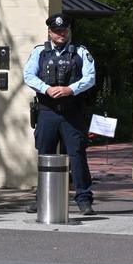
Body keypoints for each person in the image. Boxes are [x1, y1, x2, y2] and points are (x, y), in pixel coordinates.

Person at [23, 13, 96, 215]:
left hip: (72, 112)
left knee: (77, 155)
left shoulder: (80, 52)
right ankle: (42, 199)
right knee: (44, 154)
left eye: (63, 30)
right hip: (47, 111)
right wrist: (46, 88)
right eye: (56, 31)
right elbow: (28, 75)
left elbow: (90, 77)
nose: (60, 34)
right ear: (50, 32)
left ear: (69, 31)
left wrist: (70, 89)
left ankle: (84, 200)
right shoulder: (40, 52)